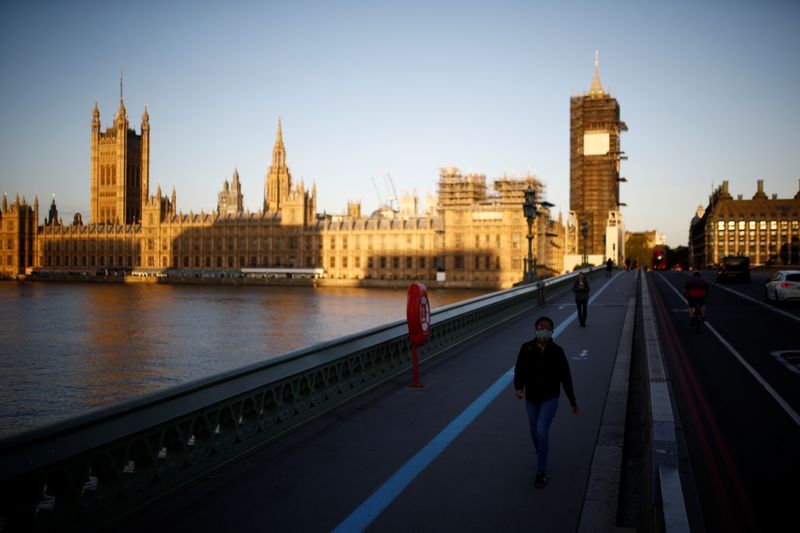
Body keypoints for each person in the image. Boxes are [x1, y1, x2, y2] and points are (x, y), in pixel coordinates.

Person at [514, 316, 579, 488]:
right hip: (531, 398)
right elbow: (519, 369)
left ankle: (540, 471)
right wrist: (519, 387)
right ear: (535, 329)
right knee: (534, 433)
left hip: (550, 397)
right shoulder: (526, 348)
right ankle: (541, 449)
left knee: (542, 432)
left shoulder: (557, 351)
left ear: (552, 331)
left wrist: (572, 400)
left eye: (547, 327)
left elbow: (565, 377)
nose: (544, 330)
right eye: (540, 327)